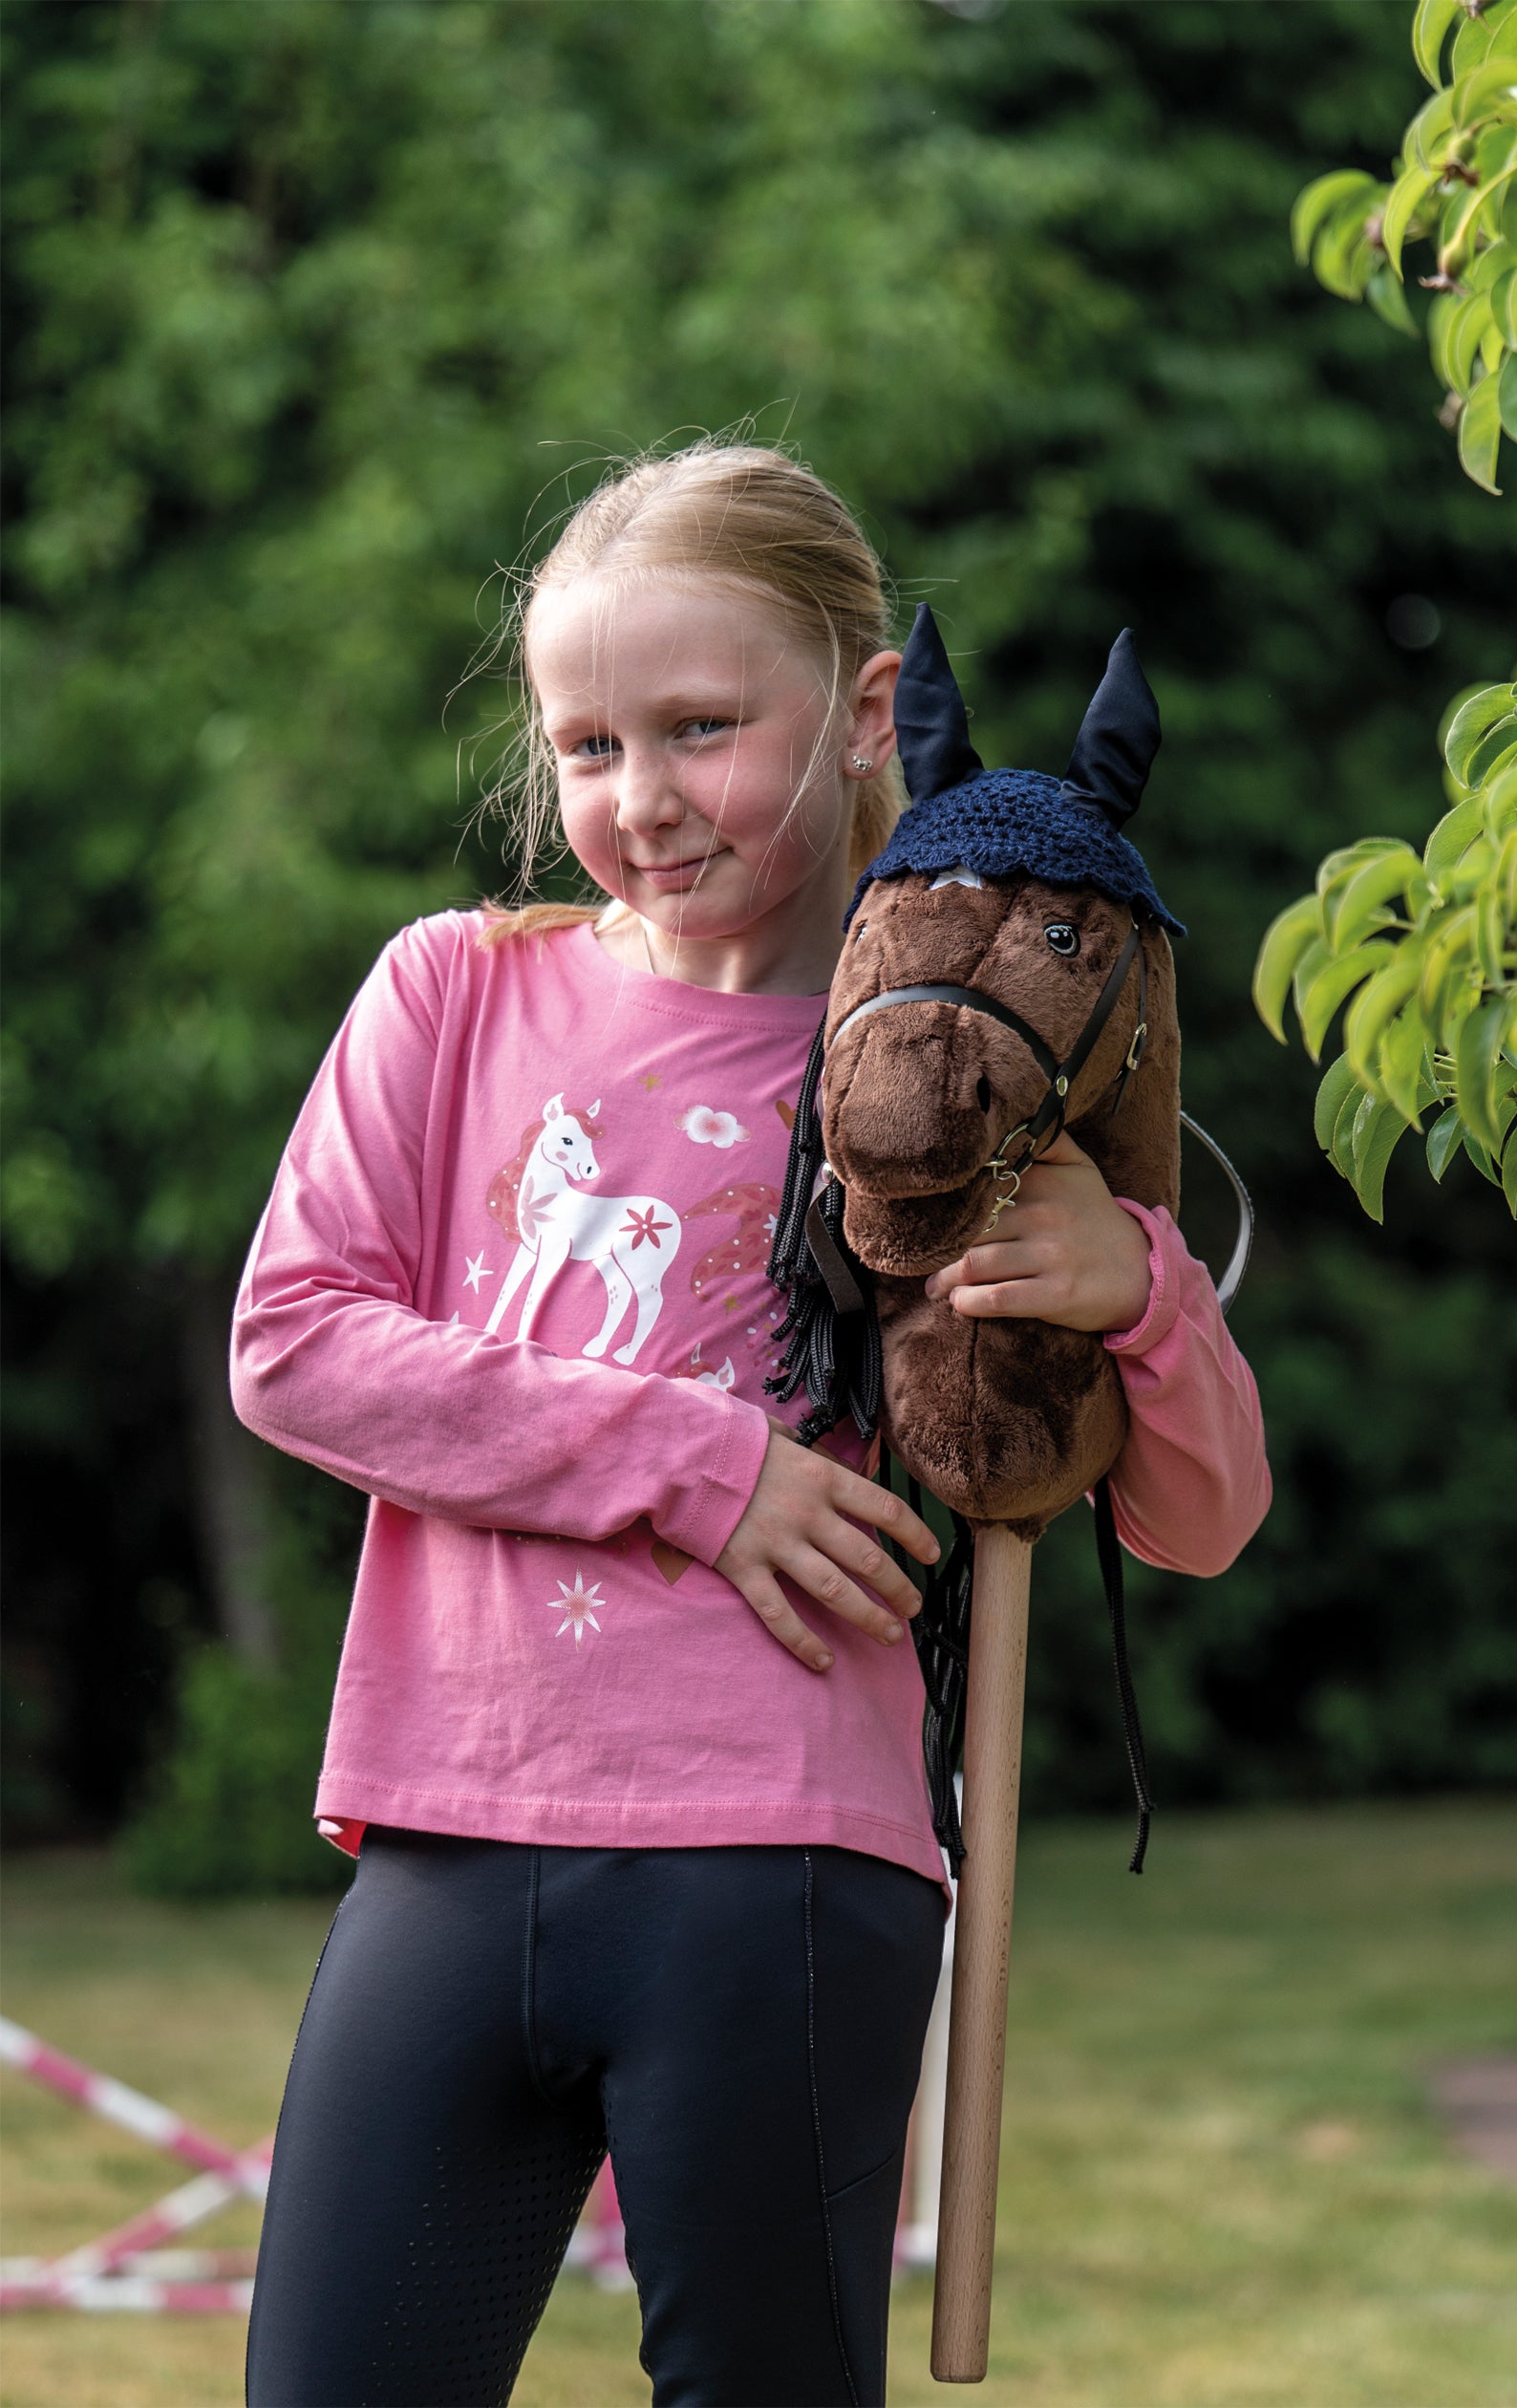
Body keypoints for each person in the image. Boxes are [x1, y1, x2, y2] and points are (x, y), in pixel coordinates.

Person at [235, 440, 1271, 2408]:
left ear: (865, 709)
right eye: (590, 744)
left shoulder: (957, 1092)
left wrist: (1131, 1284)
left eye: (701, 730)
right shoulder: (456, 992)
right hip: (446, 1842)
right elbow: (295, 1342)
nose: (639, 800)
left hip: (786, 1866)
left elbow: (1204, 1520)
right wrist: (708, 1473)